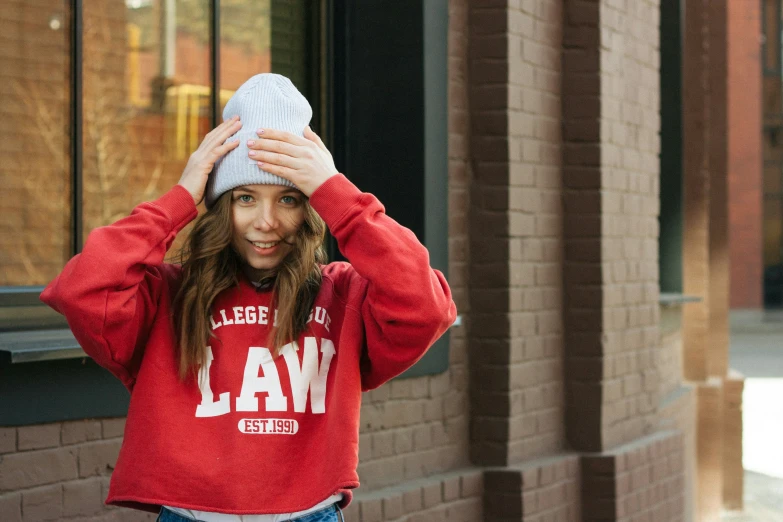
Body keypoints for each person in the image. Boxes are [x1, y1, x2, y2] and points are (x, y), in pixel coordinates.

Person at [40, 73, 456, 522]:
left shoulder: (343, 296)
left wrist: (337, 193)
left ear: (311, 208)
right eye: (244, 198)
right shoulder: (168, 296)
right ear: (220, 207)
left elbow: (426, 306)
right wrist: (180, 198)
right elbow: (84, 290)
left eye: (290, 200)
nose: (266, 222)